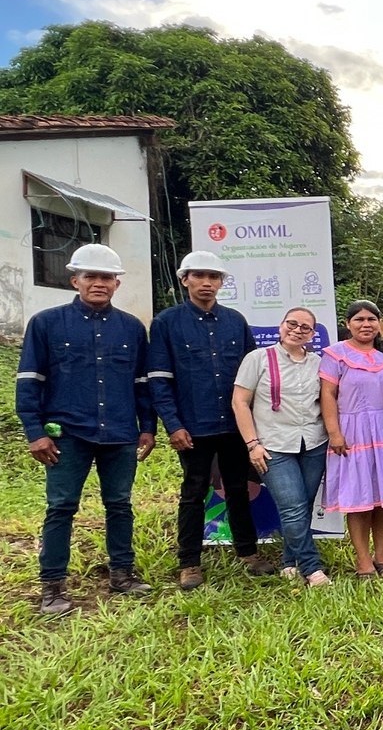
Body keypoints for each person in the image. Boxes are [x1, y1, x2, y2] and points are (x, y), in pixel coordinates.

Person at [14, 244, 156, 615]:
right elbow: (30, 380)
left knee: (120, 504)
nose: (98, 283)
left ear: (116, 283)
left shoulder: (131, 328)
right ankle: (53, 586)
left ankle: (122, 574)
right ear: (74, 279)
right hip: (67, 434)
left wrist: (147, 427)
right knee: (61, 507)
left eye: (106, 277)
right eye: (90, 276)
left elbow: (141, 382)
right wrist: (35, 431)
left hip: (120, 433)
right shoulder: (46, 323)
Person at [149, 249, 280, 590]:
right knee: (194, 491)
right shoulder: (167, 322)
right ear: (185, 280)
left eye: (214, 277)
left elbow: (254, 377)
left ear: (222, 282)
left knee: (239, 488)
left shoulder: (235, 321)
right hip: (193, 426)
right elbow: (160, 379)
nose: (206, 283)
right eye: (199, 276)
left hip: (235, 425)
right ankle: (190, 562)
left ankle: (248, 553)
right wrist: (173, 425)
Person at [233, 307, 331, 587]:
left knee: (304, 506)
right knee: (291, 507)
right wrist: (252, 444)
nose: (297, 330)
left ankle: (290, 562)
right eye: (292, 324)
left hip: (313, 442)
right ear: (281, 325)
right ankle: (312, 569)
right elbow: (240, 402)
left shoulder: (318, 363)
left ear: (312, 334)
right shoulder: (258, 358)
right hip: (273, 445)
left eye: (305, 327)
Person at [320, 300, 383, 577]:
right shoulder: (335, 355)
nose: (366, 324)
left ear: (380, 322)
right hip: (352, 433)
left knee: (382, 498)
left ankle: (382, 555)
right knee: (358, 498)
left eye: (371, 319)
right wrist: (334, 432)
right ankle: (363, 560)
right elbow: (328, 396)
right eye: (359, 320)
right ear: (348, 324)